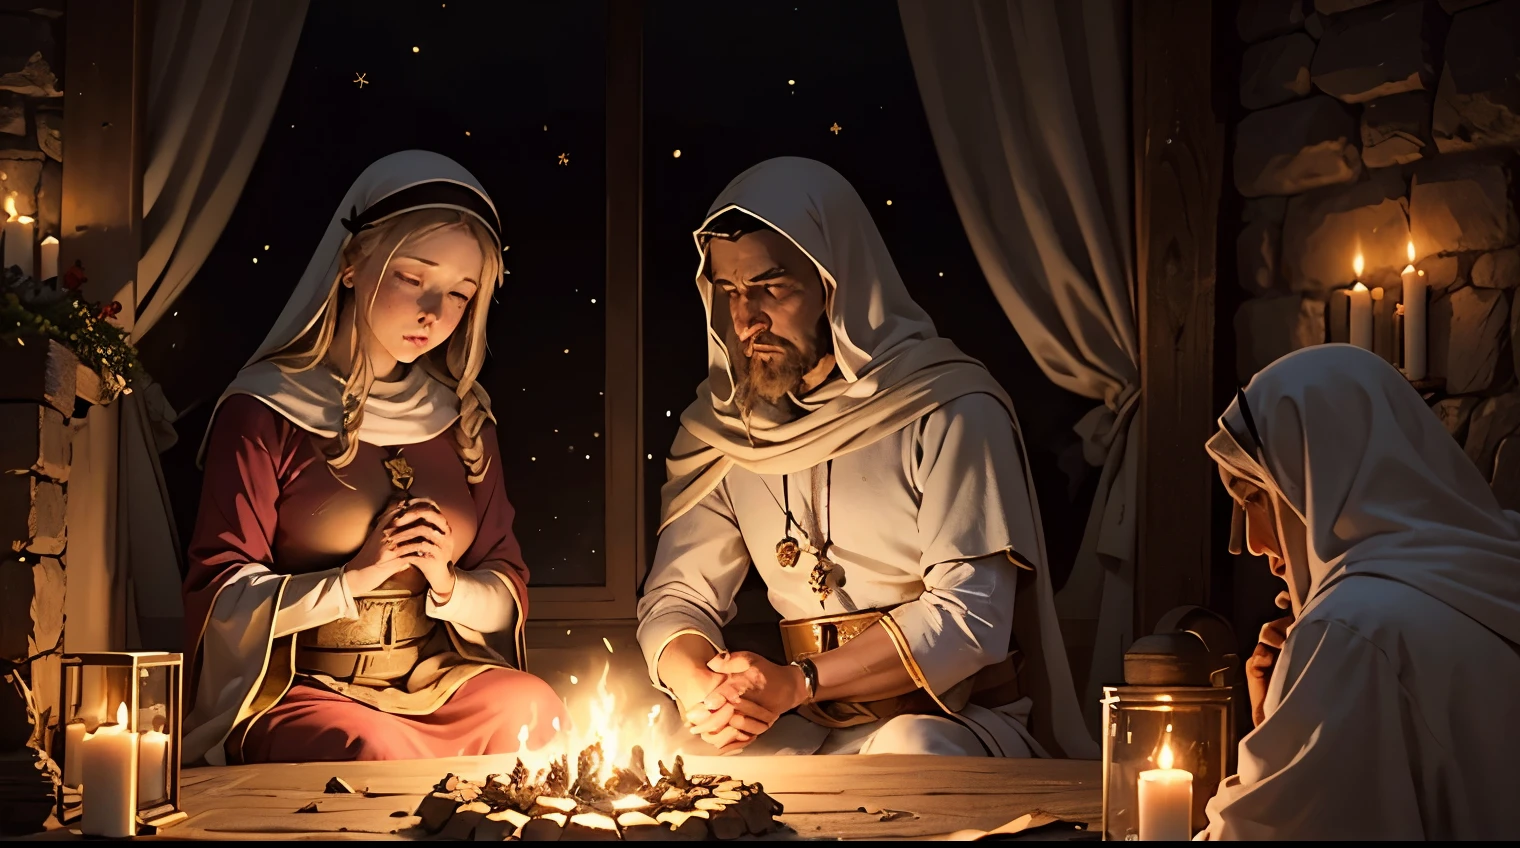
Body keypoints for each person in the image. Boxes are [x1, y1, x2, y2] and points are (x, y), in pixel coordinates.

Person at [636, 157, 1096, 759]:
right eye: (727, 292)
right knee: (678, 760)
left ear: (838, 281)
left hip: (951, 717)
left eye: (770, 287)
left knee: (910, 749)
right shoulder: (725, 430)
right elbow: (678, 598)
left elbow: (970, 617)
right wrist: (699, 686)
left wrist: (795, 683)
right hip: (803, 720)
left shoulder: (949, 407)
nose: (745, 320)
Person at [181, 150, 567, 765]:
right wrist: (353, 577)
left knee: (533, 707)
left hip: (430, 680)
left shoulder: (462, 417)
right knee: (370, 749)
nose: (434, 312)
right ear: (353, 265)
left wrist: (446, 580)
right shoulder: (264, 409)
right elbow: (220, 593)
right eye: (413, 279)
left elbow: (506, 585)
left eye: (460, 294)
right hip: (306, 687)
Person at [1201, 344, 1520, 840]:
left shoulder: (1348, 632)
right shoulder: (1509, 572)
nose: (1253, 543)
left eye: (1255, 497)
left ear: (1324, 472)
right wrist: (1282, 720)